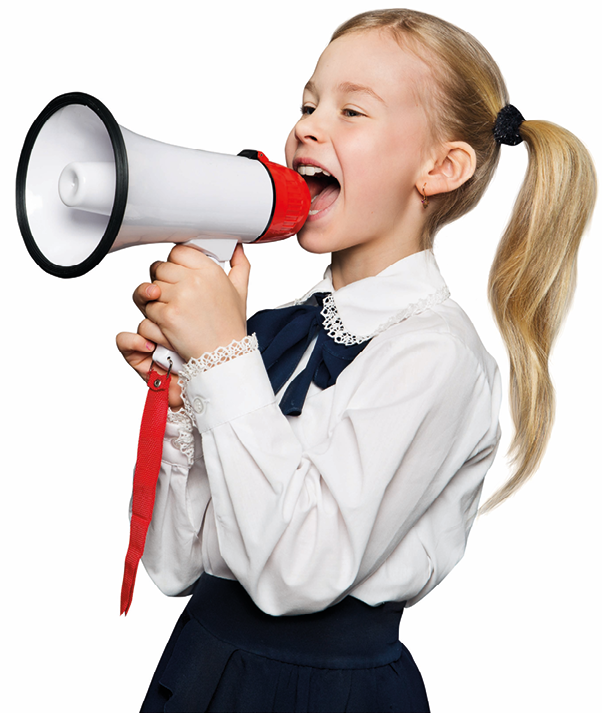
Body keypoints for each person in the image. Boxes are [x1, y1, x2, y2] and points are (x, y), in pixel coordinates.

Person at [116, 8, 596, 713]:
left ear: (440, 168)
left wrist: (221, 358)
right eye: (308, 103)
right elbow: (177, 564)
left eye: (351, 110)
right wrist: (192, 398)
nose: (308, 126)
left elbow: (295, 572)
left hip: (324, 693)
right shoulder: (267, 336)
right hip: (202, 666)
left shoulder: (439, 357)